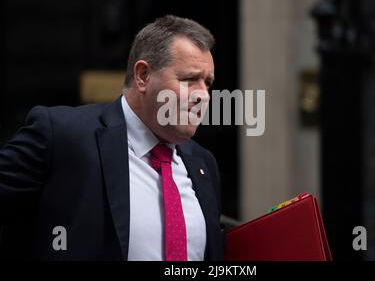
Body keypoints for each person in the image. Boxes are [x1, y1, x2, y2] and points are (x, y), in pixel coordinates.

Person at [0, 15, 224, 261]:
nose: (203, 95)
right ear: (142, 75)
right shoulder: (62, 135)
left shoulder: (204, 164)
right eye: (189, 80)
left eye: (208, 83)